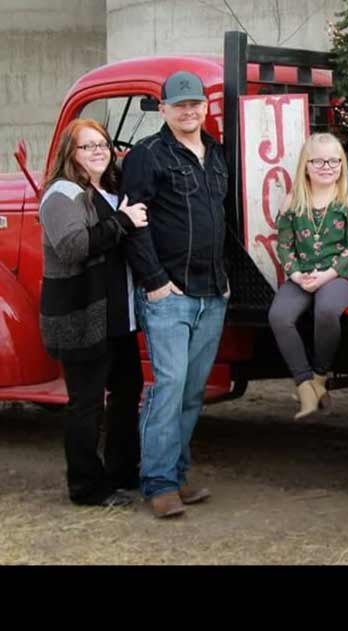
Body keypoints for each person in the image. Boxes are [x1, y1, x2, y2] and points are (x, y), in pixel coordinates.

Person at [122, 70, 230, 519]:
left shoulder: (217, 155)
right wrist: (156, 284)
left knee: (191, 391)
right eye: (179, 104)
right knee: (167, 387)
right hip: (171, 294)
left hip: (212, 292)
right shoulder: (147, 156)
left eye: (196, 103)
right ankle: (158, 483)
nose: (189, 111)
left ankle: (178, 475)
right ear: (163, 109)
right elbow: (134, 226)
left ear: (205, 107)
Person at [39, 119, 147, 508]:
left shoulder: (110, 189)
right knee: (86, 402)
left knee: (127, 390)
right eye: (87, 147)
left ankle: (122, 472)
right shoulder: (61, 195)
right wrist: (122, 221)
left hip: (117, 316)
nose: (99, 151)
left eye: (103, 144)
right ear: (70, 154)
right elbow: (71, 246)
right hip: (82, 316)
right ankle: (86, 486)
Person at [268, 134, 348, 419]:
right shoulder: (293, 201)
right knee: (279, 316)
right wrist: (297, 275)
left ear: (342, 164)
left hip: (340, 275)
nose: (327, 166)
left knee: (326, 311)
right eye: (319, 161)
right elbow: (284, 246)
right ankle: (305, 385)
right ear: (306, 166)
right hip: (302, 275)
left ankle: (320, 376)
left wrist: (326, 276)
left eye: (334, 160)